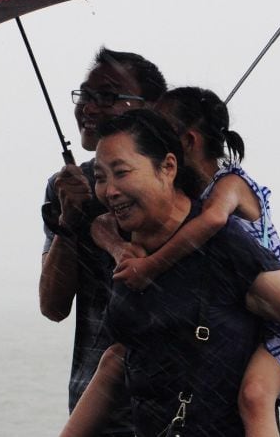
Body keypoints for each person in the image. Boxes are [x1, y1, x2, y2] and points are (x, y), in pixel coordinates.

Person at [64, 110, 280, 437]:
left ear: (168, 167)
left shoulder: (225, 247)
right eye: (100, 176)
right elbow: (121, 354)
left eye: (121, 173)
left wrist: (258, 393)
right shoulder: (130, 248)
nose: (109, 190)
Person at [39, 48, 167, 436]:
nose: (90, 108)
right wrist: (69, 219)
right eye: (85, 95)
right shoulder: (66, 187)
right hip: (94, 408)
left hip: (174, 406)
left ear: (153, 109)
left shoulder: (183, 185)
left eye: (108, 97)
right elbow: (53, 306)